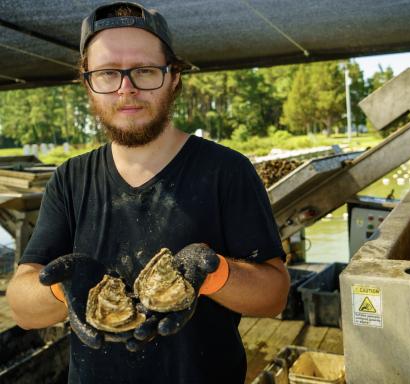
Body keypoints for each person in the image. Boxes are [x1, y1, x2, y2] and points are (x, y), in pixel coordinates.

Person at [6, 2, 290, 383]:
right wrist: (63, 289)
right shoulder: (70, 179)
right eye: (108, 73)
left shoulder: (227, 171)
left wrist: (213, 273)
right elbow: (23, 307)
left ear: (174, 77)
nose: (128, 89)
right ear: (87, 83)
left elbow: (274, 296)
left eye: (144, 71)